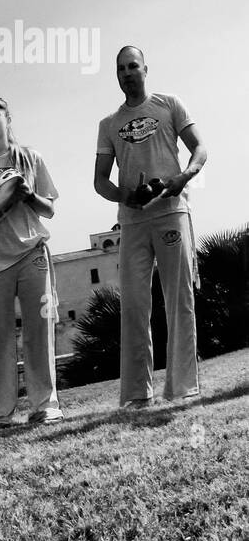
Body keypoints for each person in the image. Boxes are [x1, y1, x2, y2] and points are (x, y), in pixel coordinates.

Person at [94, 46, 206, 408]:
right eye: (121, 68)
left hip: (172, 211)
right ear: (116, 75)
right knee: (135, 305)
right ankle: (137, 395)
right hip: (133, 221)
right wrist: (125, 195)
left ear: (145, 69)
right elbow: (100, 181)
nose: (127, 73)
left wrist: (183, 177)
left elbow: (200, 148)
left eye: (133, 66)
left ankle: (182, 388)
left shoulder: (169, 104)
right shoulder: (108, 124)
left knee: (179, 300)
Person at [0, 95, 63, 429]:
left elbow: (49, 209)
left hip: (32, 251)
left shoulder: (30, 158)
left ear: (8, 117)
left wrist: (26, 195)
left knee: (39, 331)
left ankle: (44, 405)